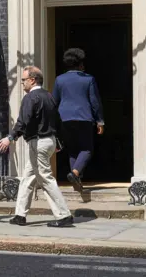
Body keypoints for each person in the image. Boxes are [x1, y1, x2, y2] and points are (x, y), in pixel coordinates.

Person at [0, 66, 73, 228]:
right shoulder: (49, 96)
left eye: (23, 80)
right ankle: (20, 215)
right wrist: (59, 141)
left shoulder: (30, 98)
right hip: (49, 141)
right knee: (28, 178)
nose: (22, 84)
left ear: (32, 80)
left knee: (45, 178)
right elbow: (58, 121)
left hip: (38, 142)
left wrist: (10, 137)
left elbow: (23, 121)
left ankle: (64, 215)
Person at [52, 48, 104, 193]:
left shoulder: (59, 79)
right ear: (80, 65)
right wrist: (100, 120)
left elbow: (54, 101)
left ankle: (76, 182)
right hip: (84, 117)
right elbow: (95, 102)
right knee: (87, 149)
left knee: (73, 150)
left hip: (64, 119)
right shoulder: (88, 79)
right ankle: (75, 173)